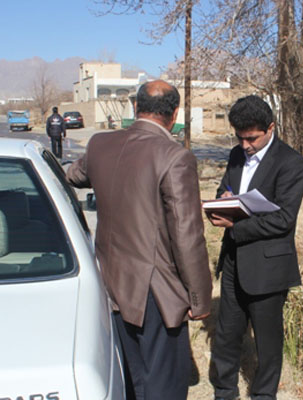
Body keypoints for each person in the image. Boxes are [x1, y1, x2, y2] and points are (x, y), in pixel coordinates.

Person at [66, 80, 212, 399]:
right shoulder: (175, 157)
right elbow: (187, 235)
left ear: (135, 107)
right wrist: (199, 298)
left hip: (110, 282)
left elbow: (73, 176)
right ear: (175, 114)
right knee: (163, 385)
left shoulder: (100, 145)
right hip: (154, 291)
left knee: (132, 379)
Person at [207, 95, 303, 400]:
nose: (245, 145)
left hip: (268, 266)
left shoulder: (291, 163)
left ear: (270, 128)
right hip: (233, 261)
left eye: (251, 138)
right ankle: (224, 391)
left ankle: (263, 395)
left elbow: (284, 220)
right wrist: (222, 200)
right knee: (226, 333)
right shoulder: (236, 155)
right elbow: (225, 187)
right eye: (240, 137)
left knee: (267, 341)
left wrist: (235, 227)